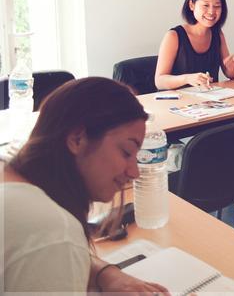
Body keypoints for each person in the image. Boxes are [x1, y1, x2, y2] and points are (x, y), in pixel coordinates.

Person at [2, 77, 170, 294]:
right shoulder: (52, 230)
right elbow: (52, 242)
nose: (134, 173)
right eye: (126, 152)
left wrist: (105, 273)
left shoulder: (10, 172)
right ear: (77, 139)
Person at [155, 0, 234, 234]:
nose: (212, 11)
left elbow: (229, 73)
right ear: (192, 5)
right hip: (180, 115)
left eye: (217, 6)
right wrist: (187, 78)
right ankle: (210, 205)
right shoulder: (174, 36)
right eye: (205, 5)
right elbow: (159, 80)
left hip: (210, 108)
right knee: (218, 144)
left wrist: (231, 68)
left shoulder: (217, 35)